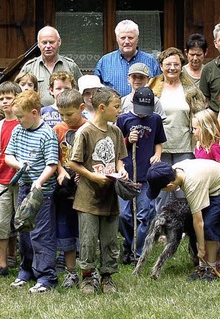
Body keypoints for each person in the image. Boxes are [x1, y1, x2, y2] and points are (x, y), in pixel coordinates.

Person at [67, 87, 128, 294]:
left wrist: (122, 171)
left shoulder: (116, 131)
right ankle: (87, 277)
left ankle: (107, 276)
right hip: (88, 198)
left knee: (110, 239)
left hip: (110, 197)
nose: (119, 111)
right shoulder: (85, 131)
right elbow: (73, 163)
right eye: (116, 107)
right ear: (102, 108)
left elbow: (119, 158)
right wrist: (93, 177)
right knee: (88, 239)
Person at [5, 90, 59, 294]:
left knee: (41, 233)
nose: (17, 120)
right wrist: (19, 165)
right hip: (24, 187)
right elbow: (8, 155)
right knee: (23, 230)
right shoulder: (18, 131)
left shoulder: (48, 134)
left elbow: (52, 164)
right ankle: (26, 271)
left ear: (34, 113)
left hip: (42, 191)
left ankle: (46, 277)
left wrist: (39, 181)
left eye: (20, 116)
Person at [146, 160, 220, 281]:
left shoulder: (192, 184)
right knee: (197, 228)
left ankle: (212, 268)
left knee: (209, 225)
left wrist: (201, 248)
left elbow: (199, 222)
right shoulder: (174, 171)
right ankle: (202, 266)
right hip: (207, 185)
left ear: (170, 186)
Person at [147, 47, 205, 211]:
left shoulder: (191, 89)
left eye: (176, 64)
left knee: (183, 186)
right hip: (160, 146)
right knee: (162, 187)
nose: (172, 68)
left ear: (181, 66)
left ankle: (182, 224)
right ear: (161, 65)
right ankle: (161, 223)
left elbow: (200, 116)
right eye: (168, 64)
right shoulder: (152, 87)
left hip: (185, 144)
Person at [116, 87, 166, 264]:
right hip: (128, 173)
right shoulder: (123, 119)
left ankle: (137, 253)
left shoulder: (155, 119)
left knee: (144, 215)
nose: (143, 115)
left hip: (146, 175)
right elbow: (117, 146)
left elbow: (159, 141)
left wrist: (157, 154)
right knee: (124, 215)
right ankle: (128, 244)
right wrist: (128, 140)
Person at [0, 81, 23, 277]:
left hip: (22, 180)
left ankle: (26, 263)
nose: (5, 101)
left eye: (9, 97)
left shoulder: (24, 122)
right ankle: (2, 265)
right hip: (2, 181)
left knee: (23, 222)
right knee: (0, 223)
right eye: (2, 98)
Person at [52, 89, 87, 288]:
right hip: (64, 187)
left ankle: (88, 270)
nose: (66, 118)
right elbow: (53, 155)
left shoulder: (89, 127)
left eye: (69, 114)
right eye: (62, 114)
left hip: (85, 185)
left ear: (82, 108)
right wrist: (59, 170)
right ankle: (70, 271)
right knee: (65, 227)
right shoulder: (58, 129)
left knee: (85, 229)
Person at [94, 19, 162, 96]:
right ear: (117, 39)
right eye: (123, 38)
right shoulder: (105, 62)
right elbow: (96, 92)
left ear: (137, 39)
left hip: (143, 106)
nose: (126, 42)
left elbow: (159, 88)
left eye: (130, 38)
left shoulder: (151, 61)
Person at [20, 26, 82, 106]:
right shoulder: (29, 67)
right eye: (44, 43)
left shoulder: (71, 66)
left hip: (66, 114)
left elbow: (82, 91)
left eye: (52, 42)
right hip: (37, 115)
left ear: (59, 42)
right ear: (38, 44)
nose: (48, 46)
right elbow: (19, 94)